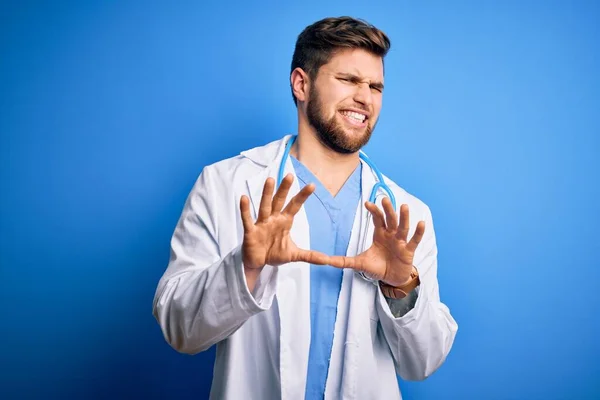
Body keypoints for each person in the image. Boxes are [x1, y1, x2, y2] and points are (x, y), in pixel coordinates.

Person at [153, 16, 458, 400]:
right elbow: (179, 329)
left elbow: (423, 363)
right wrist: (246, 267)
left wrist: (401, 286)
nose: (365, 97)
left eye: (375, 86)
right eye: (348, 80)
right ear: (301, 84)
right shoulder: (225, 185)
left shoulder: (406, 216)